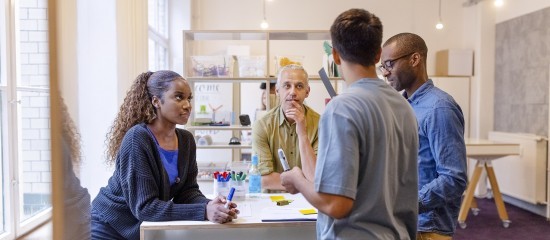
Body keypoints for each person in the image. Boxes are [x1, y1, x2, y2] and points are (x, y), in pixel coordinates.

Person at [280, 9, 419, 239]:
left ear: (335, 56)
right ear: (377, 55)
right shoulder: (404, 106)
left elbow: (336, 205)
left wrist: (296, 178)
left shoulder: (341, 109)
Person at [91, 70, 238, 240]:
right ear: (156, 101)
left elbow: (187, 192)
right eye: (178, 97)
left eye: (189, 98)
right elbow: (145, 207)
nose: (187, 105)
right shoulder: (138, 138)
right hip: (109, 226)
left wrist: (211, 205)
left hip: (141, 229)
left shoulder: (186, 140)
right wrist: (204, 211)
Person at [381, 33, 468, 239]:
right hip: (404, 222)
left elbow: (453, 178)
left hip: (428, 227)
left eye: (389, 64)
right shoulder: (403, 106)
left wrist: (407, 204)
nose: (385, 72)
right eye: (382, 66)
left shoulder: (439, 107)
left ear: (414, 59)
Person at [252, 64, 320, 191]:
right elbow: (264, 179)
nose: (293, 92)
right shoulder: (261, 125)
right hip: (272, 202)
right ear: (277, 91)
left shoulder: (321, 125)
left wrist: (302, 132)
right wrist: (302, 183)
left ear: (307, 91)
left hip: (309, 202)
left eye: (299, 86)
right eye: (287, 86)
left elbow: (316, 177)